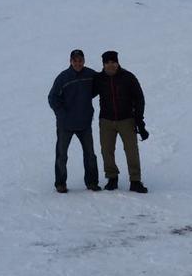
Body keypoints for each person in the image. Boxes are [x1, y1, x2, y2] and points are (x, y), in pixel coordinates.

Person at [94, 50, 149, 193]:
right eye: (107, 63)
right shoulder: (99, 79)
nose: (110, 65)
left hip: (126, 120)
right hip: (106, 120)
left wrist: (139, 121)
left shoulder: (128, 77)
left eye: (113, 62)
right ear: (103, 64)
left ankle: (135, 180)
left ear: (118, 63)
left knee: (131, 151)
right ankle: (112, 178)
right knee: (107, 151)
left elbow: (139, 99)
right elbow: (86, 93)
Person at [48, 49, 100, 193]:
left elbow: (99, 86)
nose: (78, 63)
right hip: (66, 125)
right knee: (62, 155)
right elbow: (52, 98)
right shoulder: (63, 77)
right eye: (75, 60)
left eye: (80, 60)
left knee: (90, 154)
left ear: (84, 61)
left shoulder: (90, 75)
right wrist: (62, 115)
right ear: (70, 61)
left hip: (84, 123)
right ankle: (60, 183)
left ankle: (92, 182)